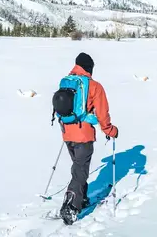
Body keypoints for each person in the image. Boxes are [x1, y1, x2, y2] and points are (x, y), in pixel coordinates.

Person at [56, 53, 119, 225]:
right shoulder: (94, 86)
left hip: (67, 133)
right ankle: (70, 206)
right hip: (83, 135)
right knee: (80, 171)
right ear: (90, 67)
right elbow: (102, 113)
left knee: (78, 167)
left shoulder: (66, 81)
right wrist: (110, 130)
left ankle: (81, 198)